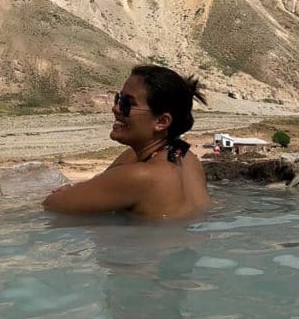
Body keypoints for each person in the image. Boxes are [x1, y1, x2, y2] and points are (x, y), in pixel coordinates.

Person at [42, 65, 211, 220]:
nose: (116, 108)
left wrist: (73, 191)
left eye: (127, 104)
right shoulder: (186, 157)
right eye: (118, 99)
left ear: (162, 121)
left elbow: (52, 204)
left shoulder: (142, 176)